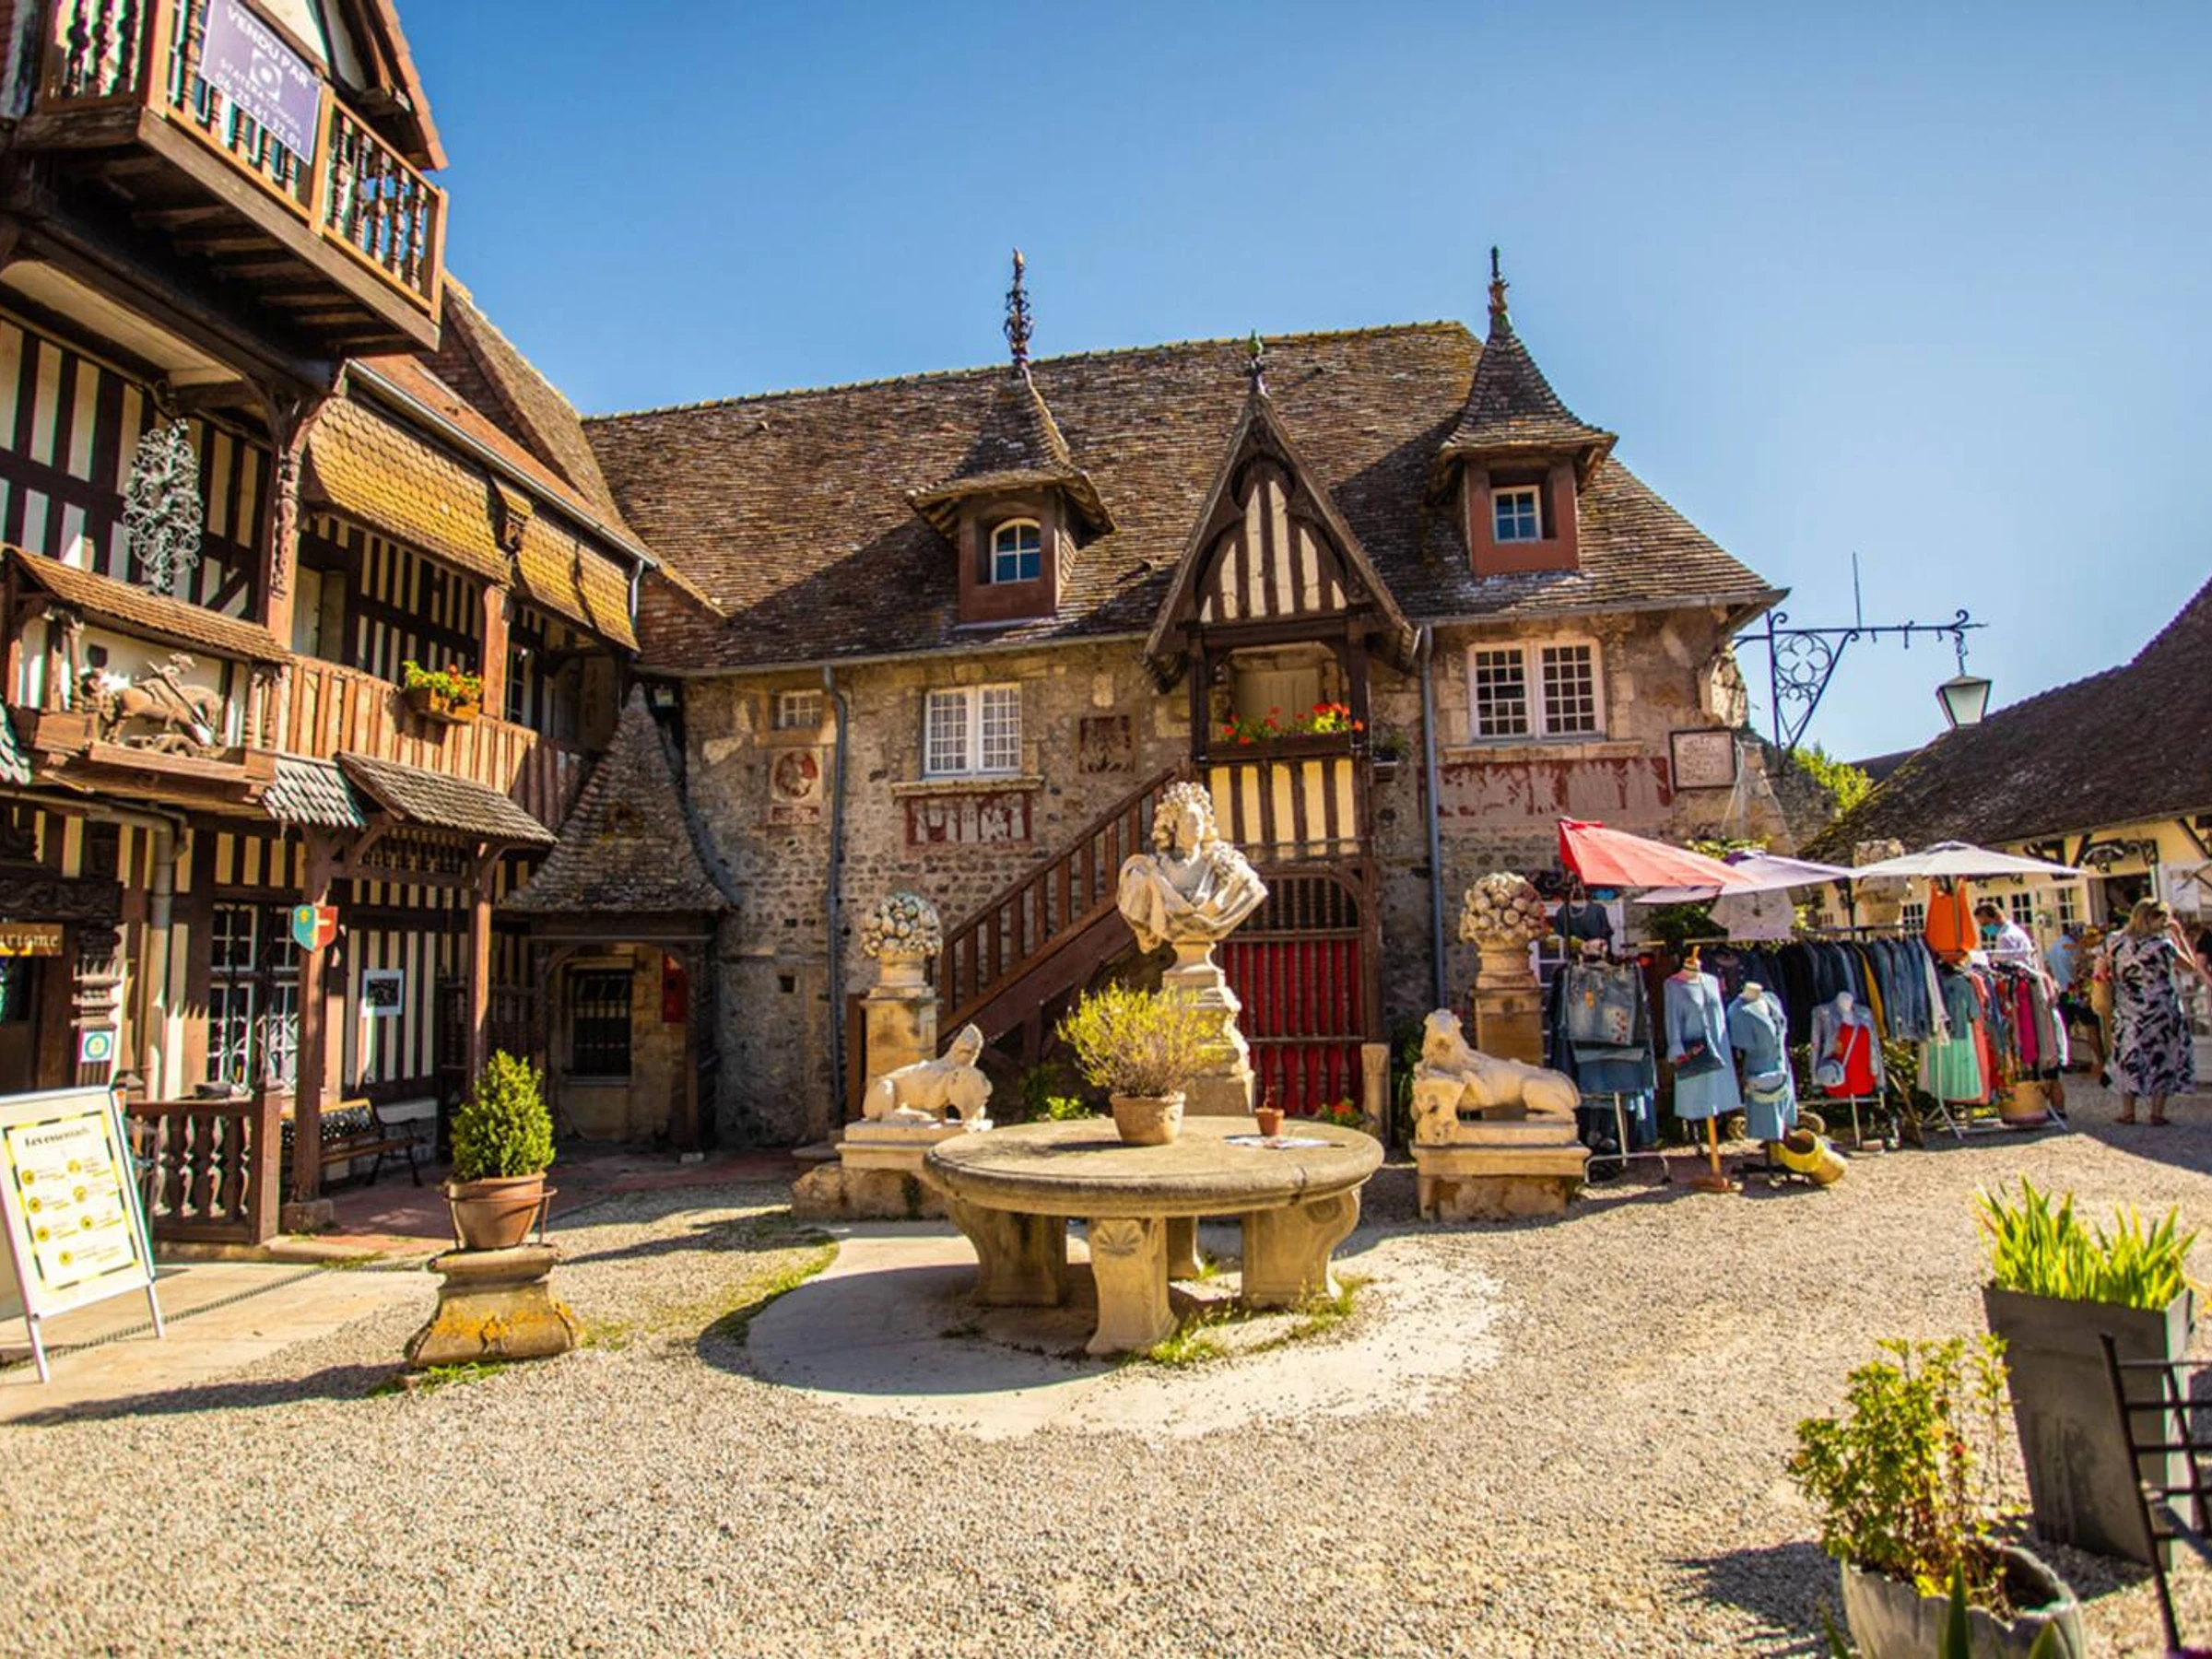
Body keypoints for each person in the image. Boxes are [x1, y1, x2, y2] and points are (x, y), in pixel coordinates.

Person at [2102, 899, 2211, 1126]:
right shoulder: (2162, 945)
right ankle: (2157, 1113)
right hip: (2159, 1008)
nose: (2165, 923)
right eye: (2163, 918)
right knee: (2162, 1057)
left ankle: (2128, 1112)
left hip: (2127, 1007)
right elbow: (2190, 967)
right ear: (2150, 918)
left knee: (2129, 1056)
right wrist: (2178, 936)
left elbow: (2107, 968)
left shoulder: (2114, 941)